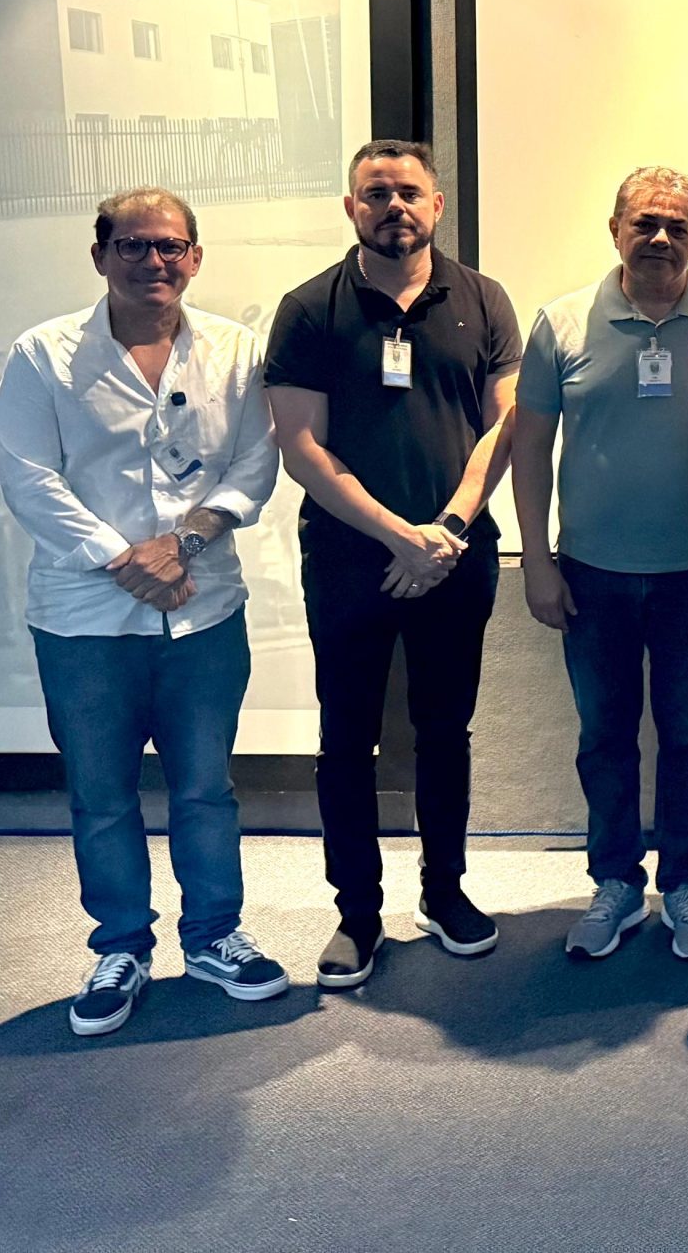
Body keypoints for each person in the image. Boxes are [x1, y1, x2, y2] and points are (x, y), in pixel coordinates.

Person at [0, 189, 285, 1036]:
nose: (153, 261)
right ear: (100, 256)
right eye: (132, 245)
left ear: (195, 257)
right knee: (102, 796)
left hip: (204, 612)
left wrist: (182, 545)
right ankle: (120, 946)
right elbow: (28, 479)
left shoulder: (235, 350)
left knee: (205, 789)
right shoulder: (44, 355)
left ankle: (215, 935)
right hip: (83, 620)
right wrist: (126, 559)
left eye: (170, 246)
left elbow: (256, 463)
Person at [265, 140, 520, 989]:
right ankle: (357, 916)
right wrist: (397, 537)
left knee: (445, 733)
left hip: (455, 556)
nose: (393, 207)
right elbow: (301, 446)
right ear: (351, 208)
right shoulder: (309, 308)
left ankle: (445, 894)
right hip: (349, 561)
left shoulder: (483, 299)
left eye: (409, 192)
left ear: (437, 205)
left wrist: (444, 528)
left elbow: (505, 425)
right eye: (375, 194)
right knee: (347, 740)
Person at [514, 167, 688, 964]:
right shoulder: (561, 322)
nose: (660, 238)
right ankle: (614, 881)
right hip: (592, 574)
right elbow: (530, 450)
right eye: (645, 223)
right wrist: (536, 562)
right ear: (614, 229)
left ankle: (684, 884)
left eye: (677, 227)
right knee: (605, 736)